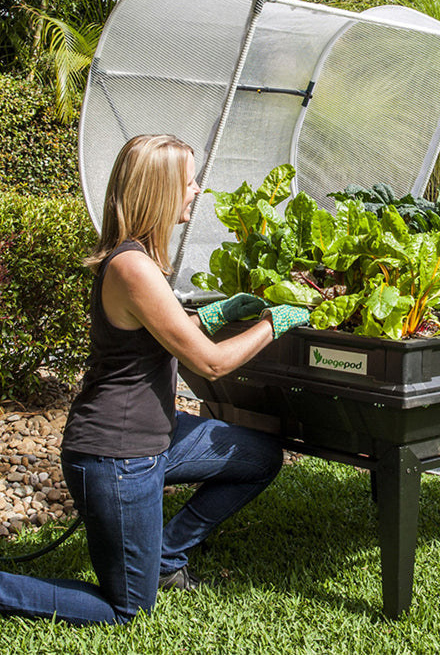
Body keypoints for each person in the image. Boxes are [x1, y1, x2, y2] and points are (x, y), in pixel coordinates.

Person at [0, 134, 310, 625]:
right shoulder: (132, 268)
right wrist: (273, 324)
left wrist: (214, 314)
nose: (197, 190)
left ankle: (165, 556)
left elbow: (162, 334)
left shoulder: (138, 261)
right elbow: (210, 365)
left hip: (157, 435)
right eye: (189, 181)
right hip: (117, 455)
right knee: (128, 609)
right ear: (161, 191)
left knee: (259, 456)